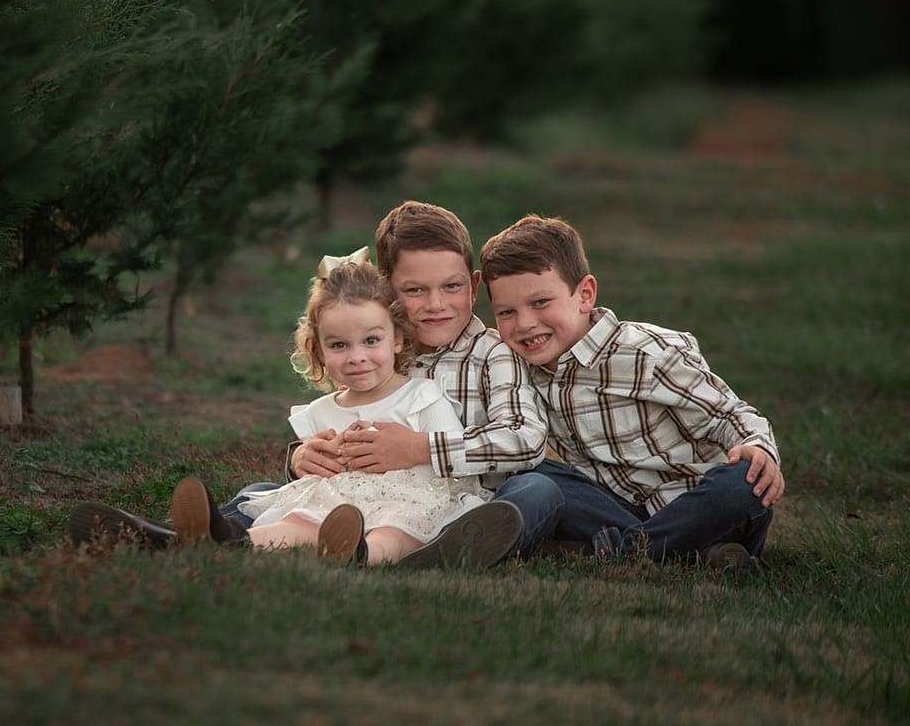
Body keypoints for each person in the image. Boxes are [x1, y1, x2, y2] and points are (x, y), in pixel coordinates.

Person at [70, 201, 562, 568]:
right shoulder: (372, 346)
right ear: (388, 291)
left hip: (459, 495)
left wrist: (420, 449)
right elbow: (343, 421)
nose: (436, 304)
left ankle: (438, 551)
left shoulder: (494, 354)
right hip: (359, 495)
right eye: (415, 290)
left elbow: (525, 439)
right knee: (264, 490)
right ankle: (189, 535)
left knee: (537, 490)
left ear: (472, 286)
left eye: (451, 287)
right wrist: (304, 457)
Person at [478, 214, 785, 569]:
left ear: (585, 295)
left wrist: (758, 447)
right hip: (617, 510)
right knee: (530, 473)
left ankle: (624, 553)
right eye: (506, 312)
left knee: (741, 481)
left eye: (541, 303)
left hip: (702, 507)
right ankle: (685, 556)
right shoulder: (517, 368)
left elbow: (729, 416)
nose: (525, 324)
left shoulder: (647, 353)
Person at [170, 252, 515, 565]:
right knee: (300, 519)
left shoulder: (422, 395)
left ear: (397, 339)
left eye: (371, 341)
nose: (356, 357)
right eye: (338, 345)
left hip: (415, 501)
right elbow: (316, 467)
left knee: (393, 531)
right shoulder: (320, 411)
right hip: (338, 506)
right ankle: (234, 542)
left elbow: (456, 462)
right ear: (318, 351)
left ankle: (360, 555)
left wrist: (411, 448)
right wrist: (321, 458)